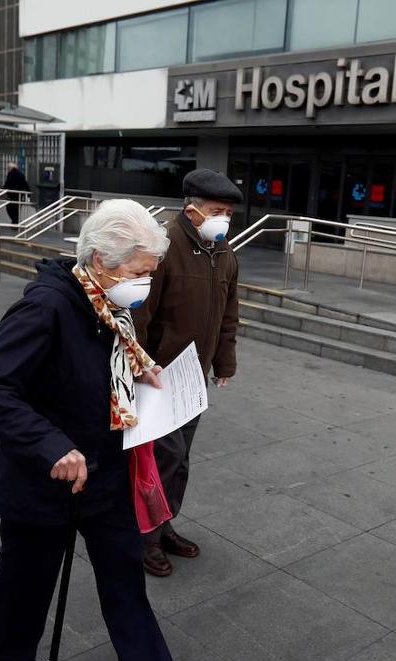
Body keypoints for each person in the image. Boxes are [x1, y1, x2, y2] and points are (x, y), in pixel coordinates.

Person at [0, 198, 201, 661]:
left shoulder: (109, 305)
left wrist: (139, 371)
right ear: (100, 261)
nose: (146, 284)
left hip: (107, 470)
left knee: (123, 570)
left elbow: (102, 361)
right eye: (140, 273)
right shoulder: (46, 307)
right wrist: (52, 445)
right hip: (45, 479)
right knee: (28, 577)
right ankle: (12, 656)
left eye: (151, 274)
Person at [132, 168, 242, 577]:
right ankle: (143, 538)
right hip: (159, 374)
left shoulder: (225, 252)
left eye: (229, 213)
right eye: (218, 210)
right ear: (191, 208)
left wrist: (224, 363)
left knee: (180, 460)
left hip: (193, 378)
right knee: (163, 457)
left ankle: (162, 526)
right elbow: (139, 313)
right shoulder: (164, 247)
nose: (224, 220)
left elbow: (229, 314)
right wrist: (142, 364)